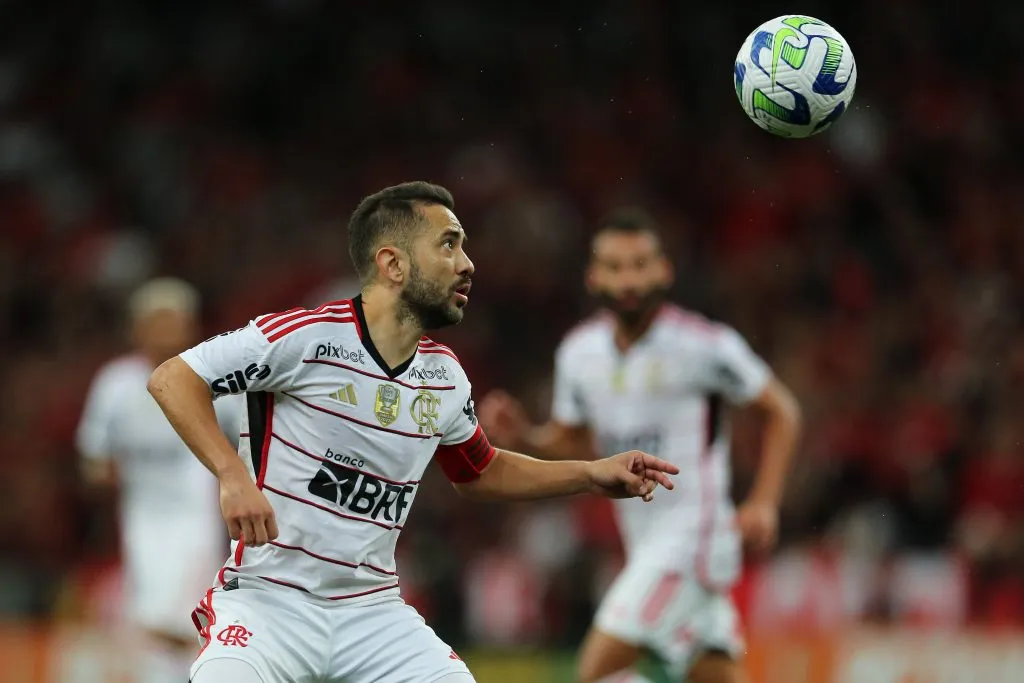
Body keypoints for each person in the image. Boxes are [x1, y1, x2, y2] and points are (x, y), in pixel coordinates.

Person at [145, 182, 680, 683]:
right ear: (393, 263)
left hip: (372, 612)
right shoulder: (302, 339)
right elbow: (174, 378)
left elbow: (480, 471)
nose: (467, 265)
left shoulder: (444, 376)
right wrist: (232, 475)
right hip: (269, 603)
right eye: (448, 245)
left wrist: (590, 473)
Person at [478, 208, 802, 683]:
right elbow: (572, 440)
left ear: (663, 270)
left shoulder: (705, 345)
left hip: (695, 539)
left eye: (639, 264)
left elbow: (782, 411)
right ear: (594, 276)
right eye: (615, 266)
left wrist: (765, 502)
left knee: (594, 672)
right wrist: (525, 435)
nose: (628, 278)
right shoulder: (578, 353)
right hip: (645, 542)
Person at [77, 278, 241, 683]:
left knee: (189, 617)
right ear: (137, 327)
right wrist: (106, 473)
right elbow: (93, 456)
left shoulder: (213, 379)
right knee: (151, 621)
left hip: (197, 520)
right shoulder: (115, 383)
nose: (168, 329)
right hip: (142, 521)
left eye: (176, 319)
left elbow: (250, 446)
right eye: (158, 319)